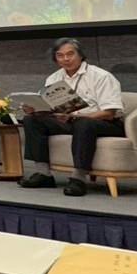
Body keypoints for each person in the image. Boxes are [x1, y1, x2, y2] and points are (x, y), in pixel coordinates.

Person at [18, 37, 124, 197]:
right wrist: (35, 109)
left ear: (80, 55)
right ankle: (43, 174)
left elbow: (109, 113)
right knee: (31, 120)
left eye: (70, 54)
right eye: (60, 56)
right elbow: (49, 106)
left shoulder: (101, 76)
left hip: (104, 123)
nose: (66, 59)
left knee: (83, 122)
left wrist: (77, 116)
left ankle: (78, 179)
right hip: (69, 121)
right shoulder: (54, 78)